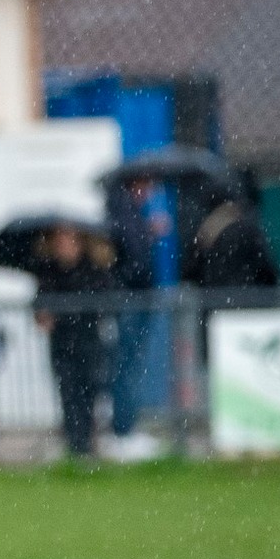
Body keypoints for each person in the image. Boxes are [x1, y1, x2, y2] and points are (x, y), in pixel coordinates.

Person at [32, 225, 114, 460]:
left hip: (88, 341)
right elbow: (39, 303)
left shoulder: (93, 267)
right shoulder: (48, 271)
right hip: (61, 343)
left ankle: (87, 442)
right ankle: (76, 445)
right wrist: (43, 314)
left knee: (89, 390)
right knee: (68, 391)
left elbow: (102, 300)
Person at [104, 175, 171, 460]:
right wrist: (147, 232)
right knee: (126, 368)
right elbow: (133, 260)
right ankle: (122, 432)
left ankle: (125, 429)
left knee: (130, 367)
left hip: (134, 298)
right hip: (131, 300)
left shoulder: (130, 214)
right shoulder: (123, 214)